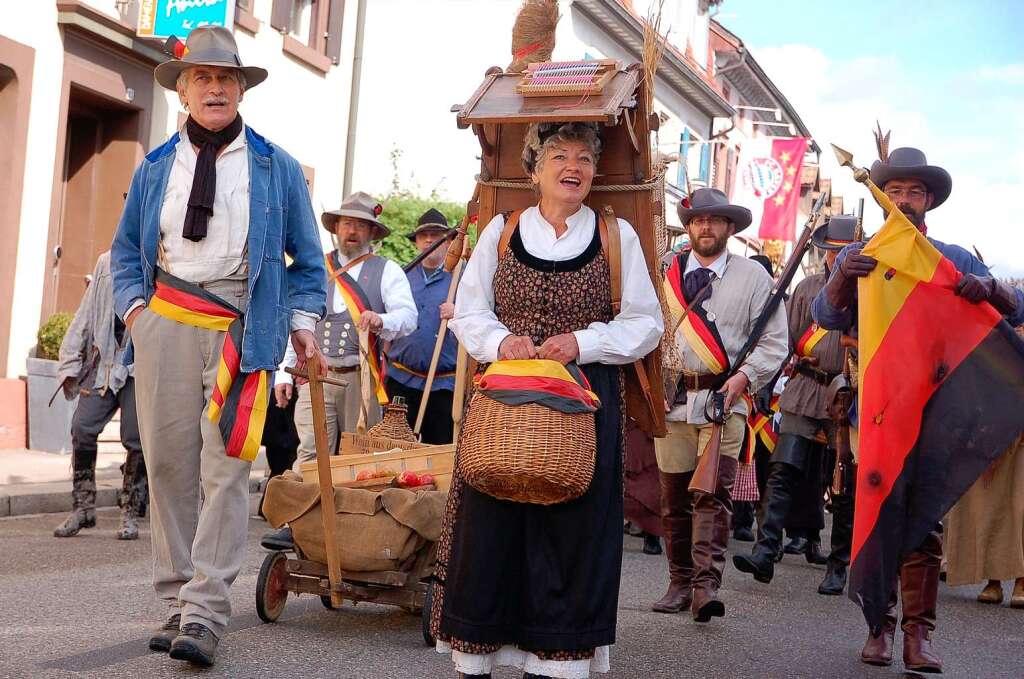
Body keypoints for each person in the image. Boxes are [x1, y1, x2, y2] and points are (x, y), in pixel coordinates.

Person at [111, 26, 327, 667]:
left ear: (241, 90)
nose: (214, 88)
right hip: (166, 321)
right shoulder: (154, 168)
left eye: (225, 79)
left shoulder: (276, 166)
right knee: (171, 469)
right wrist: (135, 313)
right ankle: (178, 599)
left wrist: (303, 324)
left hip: (243, 329)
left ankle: (206, 613)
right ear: (182, 91)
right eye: (201, 78)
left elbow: (307, 263)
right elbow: (128, 253)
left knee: (227, 473)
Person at [431, 121, 662, 678]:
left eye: (584, 158)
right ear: (534, 169)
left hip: (582, 400)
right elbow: (469, 308)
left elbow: (646, 324)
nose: (573, 167)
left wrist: (583, 342)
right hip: (506, 402)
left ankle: (558, 662)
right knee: (490, 528)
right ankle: (476, 656)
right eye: (559, 155)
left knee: (572, 533)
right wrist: (500, 341)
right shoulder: (504, 231)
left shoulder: (615, 235)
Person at [811, 146, 1024, 673]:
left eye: (914, 192)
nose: (904, 200)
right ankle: (878, 629)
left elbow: (1018, 306)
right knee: (878, 521)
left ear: (929, 200)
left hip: (936, 412)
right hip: (877, 411)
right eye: (896, 191)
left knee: (924, 523)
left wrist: (990, 288)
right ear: (884, 198)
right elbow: (823, 317)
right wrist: (841, 276)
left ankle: (918, 636)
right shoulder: (861, 253)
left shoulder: (951, 257)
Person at [651, 188, 788, 622]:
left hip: (724, 401)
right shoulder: (664, 275)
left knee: (714, 496)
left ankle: (705, 587)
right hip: (672, 400)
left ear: (730, 228)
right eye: (696, 221)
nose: (704, 228)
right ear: (688, 227)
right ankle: (678, 582)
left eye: (714, 220)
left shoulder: (754, 278)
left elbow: (773, 343)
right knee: (673, 499)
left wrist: (742, 380)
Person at [261, 192, 417, 550]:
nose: (352, 231)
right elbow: (294, 320)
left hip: (360, 379)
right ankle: (298, 526)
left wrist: (381, 319)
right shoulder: (316, 268)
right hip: (313, 377)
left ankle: (352, 531)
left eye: (360, 225)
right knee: (310, 451)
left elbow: (409, 318)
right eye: (347, 223)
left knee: (358, 456)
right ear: (337, 228)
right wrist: (284, 375)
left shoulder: (387, 270)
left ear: (370, 232)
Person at [733, 215, 855, 586]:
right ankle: (765, 551)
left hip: (848, 393)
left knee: (843, 482)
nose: (837, 259)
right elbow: (785, 338)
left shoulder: (870, 293)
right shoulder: (806, 288)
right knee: (783, 470)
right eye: (833, 253)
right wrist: (795, 358)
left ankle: (838, 566)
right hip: (805, 389)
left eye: (844, 253)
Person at [54, 251, 147, 540]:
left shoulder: (161, 261)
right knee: (82, 427)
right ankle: (83, 507)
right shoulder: (107, 261)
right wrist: (70, 358)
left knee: (136, 438)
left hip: (138, 365)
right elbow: (87, 310)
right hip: (104, 360)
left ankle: (130, 510)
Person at [385, 208, 458, 444]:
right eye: (423, 235)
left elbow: (482, 315)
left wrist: (460, 313)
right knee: (395, 449)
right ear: (416, 241)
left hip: (443, 385)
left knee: (437, 452)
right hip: (401, 380)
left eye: (436, 235)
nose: (429, 240)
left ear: (448, 242)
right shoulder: (400, 277)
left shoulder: (462, 277)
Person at [944, 434, 1024, 609]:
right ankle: (993, 579)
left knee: (1020, 505)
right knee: (990, 506)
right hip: (990, 430)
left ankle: (1022, 580)